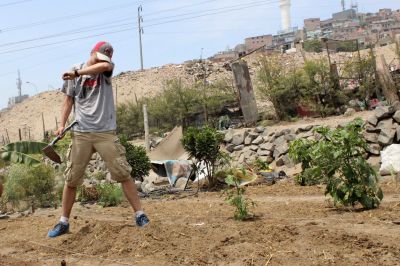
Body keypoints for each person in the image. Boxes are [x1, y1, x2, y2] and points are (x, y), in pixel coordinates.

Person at [48, 41, 149, 238]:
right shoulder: (74, 71)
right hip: (81, 133)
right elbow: (68, 101)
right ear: (91, 52)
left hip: (105, 133)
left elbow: (105, 66)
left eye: (106, 58)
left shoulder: (104, 69)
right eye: (99, 56)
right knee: (71, 179)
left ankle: (140, 214)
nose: (103, 61)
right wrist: (61, 124)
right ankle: (63, 222)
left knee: (123, 173)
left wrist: (78, 74)